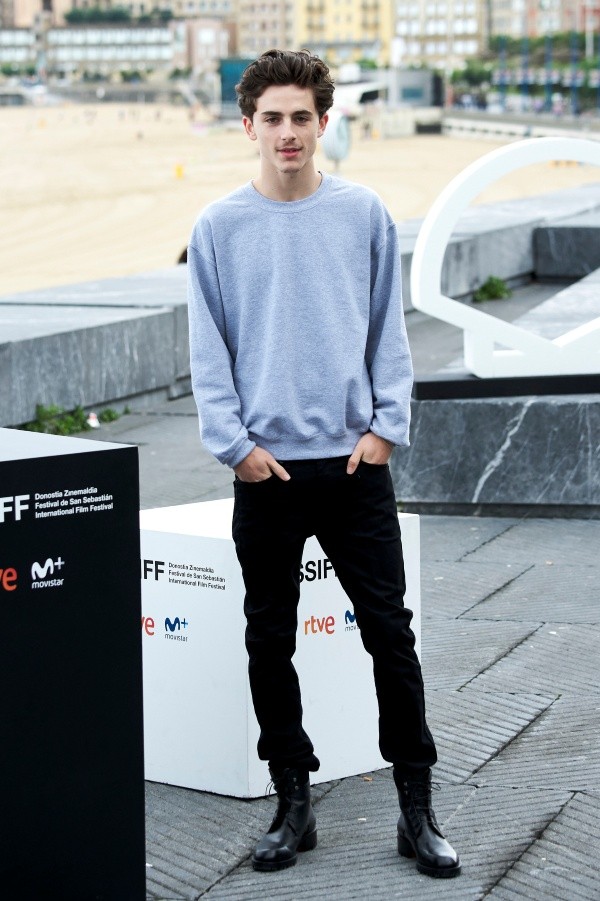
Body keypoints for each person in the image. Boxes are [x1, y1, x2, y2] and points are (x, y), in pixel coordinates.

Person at [187, 48, 461, 879]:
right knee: (270, 640)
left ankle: (416, 808)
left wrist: (384, 429)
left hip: (352, 466)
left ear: (323, 122)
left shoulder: (363, 212)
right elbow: (209, 350)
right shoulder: (217, 228)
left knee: (391, 634)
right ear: (248, 126)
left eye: (301, 116)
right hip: (265, 471)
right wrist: (236, 448)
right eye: (271, 117)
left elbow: (389, 329)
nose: (287, 131)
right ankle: (292, 801)